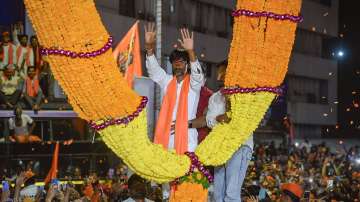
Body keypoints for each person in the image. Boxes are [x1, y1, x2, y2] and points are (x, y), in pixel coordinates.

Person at [144, 22, 204, 154]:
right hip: (165, 138)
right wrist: (149, 49)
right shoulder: (168, 81)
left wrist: (190, 51)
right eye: (174, 63)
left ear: (187, 65)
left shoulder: (194, 85)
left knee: (186, 174)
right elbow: (154, 71)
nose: (177, 65)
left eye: (181, 62)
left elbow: (198, 76)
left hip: (187, 139)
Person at [206, 60, 254, 202]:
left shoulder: (245, 96)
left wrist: (229, 116)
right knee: (218, 195)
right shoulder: (215, 97)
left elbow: (247, 119)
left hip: (240, 145)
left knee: (231, 194)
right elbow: (209, 120)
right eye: (219, 73)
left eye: (224, 73)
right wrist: (221, 118)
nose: (220, 77)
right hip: (220, 148)